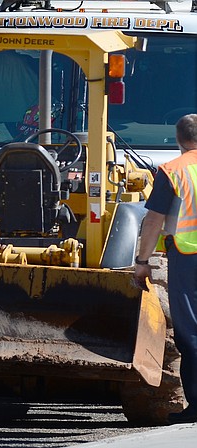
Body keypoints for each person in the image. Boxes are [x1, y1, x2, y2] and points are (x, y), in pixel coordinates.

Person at [134, 114, 197, 424]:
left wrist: (142, 262)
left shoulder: (172, 171)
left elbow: (153, 221)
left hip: (188, 257)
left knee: (191, 332)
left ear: (178, 139)